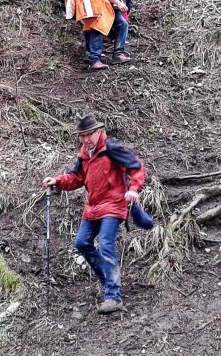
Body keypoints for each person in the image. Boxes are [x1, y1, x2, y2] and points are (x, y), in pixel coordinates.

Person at [42, 114, 146, 314]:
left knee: (106, 243)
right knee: (81, 243)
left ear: (99, 132)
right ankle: (108, 281)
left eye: (89, 134)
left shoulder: (111, 148)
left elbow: (136, 167)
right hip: (93, 207)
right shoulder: (84, 154)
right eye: (82, 136)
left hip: (114, 205)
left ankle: (113, 296)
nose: (85, 139)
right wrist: (57, 180)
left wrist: (133, 189)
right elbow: (76, 178)